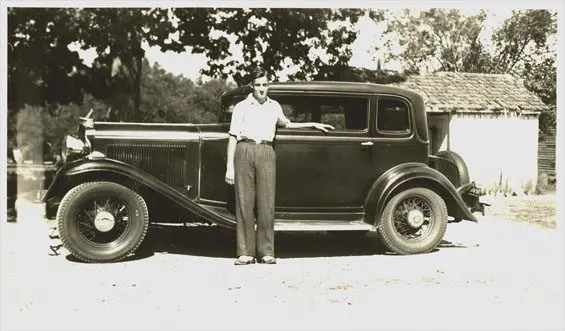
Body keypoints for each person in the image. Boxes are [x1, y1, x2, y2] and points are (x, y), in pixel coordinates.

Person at [225, 68, 334, 265]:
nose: (261, 89)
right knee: (244, 202)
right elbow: (232, 137)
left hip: (267, 151)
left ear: (269, 86)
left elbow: (287, 124)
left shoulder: (274, 106)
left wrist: (313, 124)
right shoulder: (241, 107)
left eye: (264, 85)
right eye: (257, 85)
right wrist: (229, 168)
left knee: (267, 202)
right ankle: (245, 252)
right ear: (252, 86)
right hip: (244, 150)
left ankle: (266, 252)